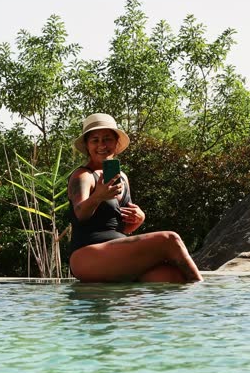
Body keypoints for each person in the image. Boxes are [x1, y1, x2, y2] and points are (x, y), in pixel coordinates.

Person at [67, 113, 203, 283]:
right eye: (95, 140)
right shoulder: (83, 176)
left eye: (107, 139)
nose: (102, 145)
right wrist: (98, 196)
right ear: (87, 146)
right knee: (170, 239)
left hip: (117, 253)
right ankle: (203, 297)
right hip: (86, 256)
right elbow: (80, 213)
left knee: (171, 276)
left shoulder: (121, 177)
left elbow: (124, 227)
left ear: (116, 143)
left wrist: (139, 218)